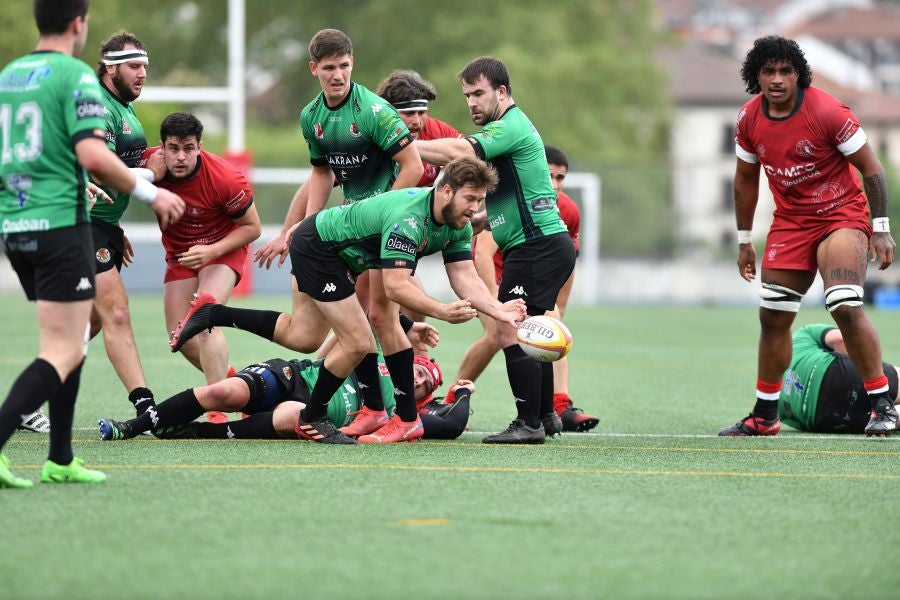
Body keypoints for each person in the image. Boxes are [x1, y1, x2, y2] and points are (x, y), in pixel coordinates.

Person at [169, 155, 524, 444]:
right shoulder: (410, 220)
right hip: (320, 248)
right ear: (446, 191)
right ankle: (316, 416)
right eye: (470, 199)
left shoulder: (457, 224)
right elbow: (396, 287)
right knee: (357, 341)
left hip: (355, 256)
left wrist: (499, 310)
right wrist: (442, 311)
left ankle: (215, 312)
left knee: (313, 335)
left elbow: (464, 277)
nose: (475, 208)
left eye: (480, 200)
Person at [0, 0, 184, 488]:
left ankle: (60, 457)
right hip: (61, 225)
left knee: (72, 339)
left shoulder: (10, 76)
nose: (141, 73)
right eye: (134, 65)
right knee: (65, 348)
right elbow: (92, 154)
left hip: (18, 224)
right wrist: (151, 190)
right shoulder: (76, 77)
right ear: (78, 24)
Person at [720, 36, 897, 437]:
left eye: (786, 71)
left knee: (844, 303)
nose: (777, 79)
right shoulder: (748, 119)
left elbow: (872, 168)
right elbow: (745, 180)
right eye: (769, 71)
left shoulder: (827, 111)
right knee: (772, 315)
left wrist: (882, 229)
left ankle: (882, 405)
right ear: (756, 76)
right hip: (791, 222)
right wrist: (744, 240)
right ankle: (765, 415)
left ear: (798, 75)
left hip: (841, 215)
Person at [415, 57, 576, 444]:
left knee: (508, 327)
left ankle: (529, 424)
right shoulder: (512, 129)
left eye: (479, 93)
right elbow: (518, 196)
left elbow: (459, 152)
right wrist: (482, 221)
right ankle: (544, 415)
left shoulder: (509, 126)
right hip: (542, 245)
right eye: (467, 95)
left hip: (536, 247)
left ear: (502, 92)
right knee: (529, 329)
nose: (472, 102)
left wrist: (403, 146)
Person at [445, 145, 599, 432]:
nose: (554, 184)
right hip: (497, 274)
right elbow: (483, 254)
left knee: (548, 327)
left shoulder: (568, 210)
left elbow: (567, 264)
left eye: (560, 178)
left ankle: (553, 408)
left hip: (530, 271)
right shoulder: (516, 198)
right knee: (500, 332)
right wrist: (493, 303)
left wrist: (558, 307)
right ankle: (454, 398)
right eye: (549, 175)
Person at [143, 112, 261, 396]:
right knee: (180, 337)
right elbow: (110, 185)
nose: (180, 157)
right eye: (173, 148)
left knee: (205, 315)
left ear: (199, 147)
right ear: (161, 147)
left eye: (188, 148)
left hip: (222, 248)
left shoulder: (225, 178)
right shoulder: (146, 166)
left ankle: (218, 407)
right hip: (180, 255)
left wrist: (212, 251)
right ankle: (240, 388)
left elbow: (253, 228)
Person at [98, 354, 473, 441]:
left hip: (306, 412)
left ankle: (194, 431)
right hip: (291, 376)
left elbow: (453, 424)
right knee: (223, 391)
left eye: (426, 384)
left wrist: (462, 393)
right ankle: (132, 427)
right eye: (419, 371)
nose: (419, 381)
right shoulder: (379, 355)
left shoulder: (402, 415)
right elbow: (376, 315)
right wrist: (411, 325)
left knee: (295, 415)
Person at [86, 31, 157, 418]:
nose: (142, 73)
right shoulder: (100, 105)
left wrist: (115, 227)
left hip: (104, 226)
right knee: (115, 311)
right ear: (110, 69)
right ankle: (145, 405)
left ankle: (29, 401)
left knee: (92, 321)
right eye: (133, 66)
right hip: (83, 223)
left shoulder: (123, 107)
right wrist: (152, 175)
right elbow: (104, 170)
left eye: (144, 66)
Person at [778, 324, 899, 435]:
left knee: (887, 419)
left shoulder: (774, 400)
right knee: (884, 384)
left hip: (827, 419)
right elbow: (839, 339)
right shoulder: (799, 337)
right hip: (835, 372)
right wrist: (862, 370)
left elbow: (802, 424)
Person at [375, 69, 463, 187]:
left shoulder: (437, 130)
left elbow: (469, 156)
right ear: (388, 114)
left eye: (421, 113)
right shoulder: (371, 132)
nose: (417, 121)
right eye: (409, 113)